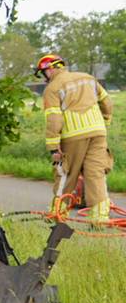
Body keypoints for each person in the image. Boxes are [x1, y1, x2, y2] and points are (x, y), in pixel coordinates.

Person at [36, 54, 114, 222]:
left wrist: (53, 146)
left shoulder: (52, 88)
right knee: (95, 173)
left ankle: (57, 212)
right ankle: (99, 217)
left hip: (73, 135)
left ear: (50, 69)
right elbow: (107, 103)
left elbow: (54, 120)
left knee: (65, 173)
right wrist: (105, 122)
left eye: (43, 73)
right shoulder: (88, 78)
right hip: (98, 133)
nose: (44, 77)